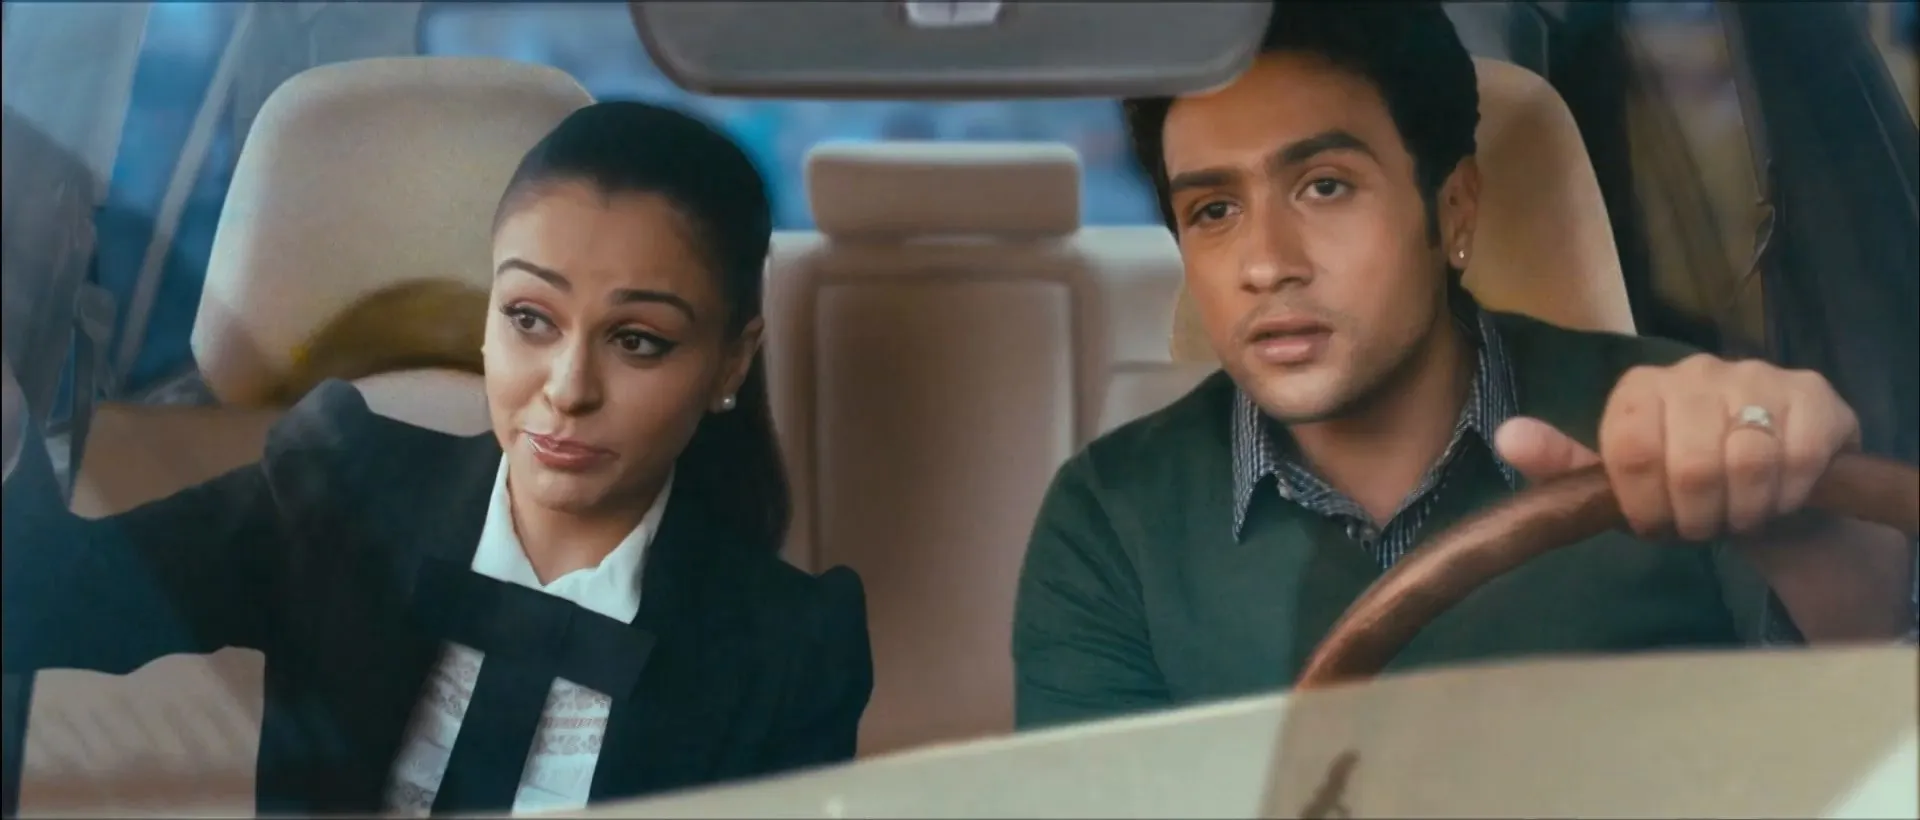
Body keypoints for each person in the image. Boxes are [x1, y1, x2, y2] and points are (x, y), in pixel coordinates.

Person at [1011, 2, 1917, 731]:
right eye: (1214, 211)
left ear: (1452, 210)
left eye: (1324, 186)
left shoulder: (1673, 431)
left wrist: (1813, 538)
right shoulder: (1112, 515)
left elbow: (1853, 735)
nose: (1266, 263)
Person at [1, 100, 873, 814]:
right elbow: (36, 606)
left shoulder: (794, 651)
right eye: (530, 318)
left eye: (638, 340)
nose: (568, 388)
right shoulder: (339, 492)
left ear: (730, 361)